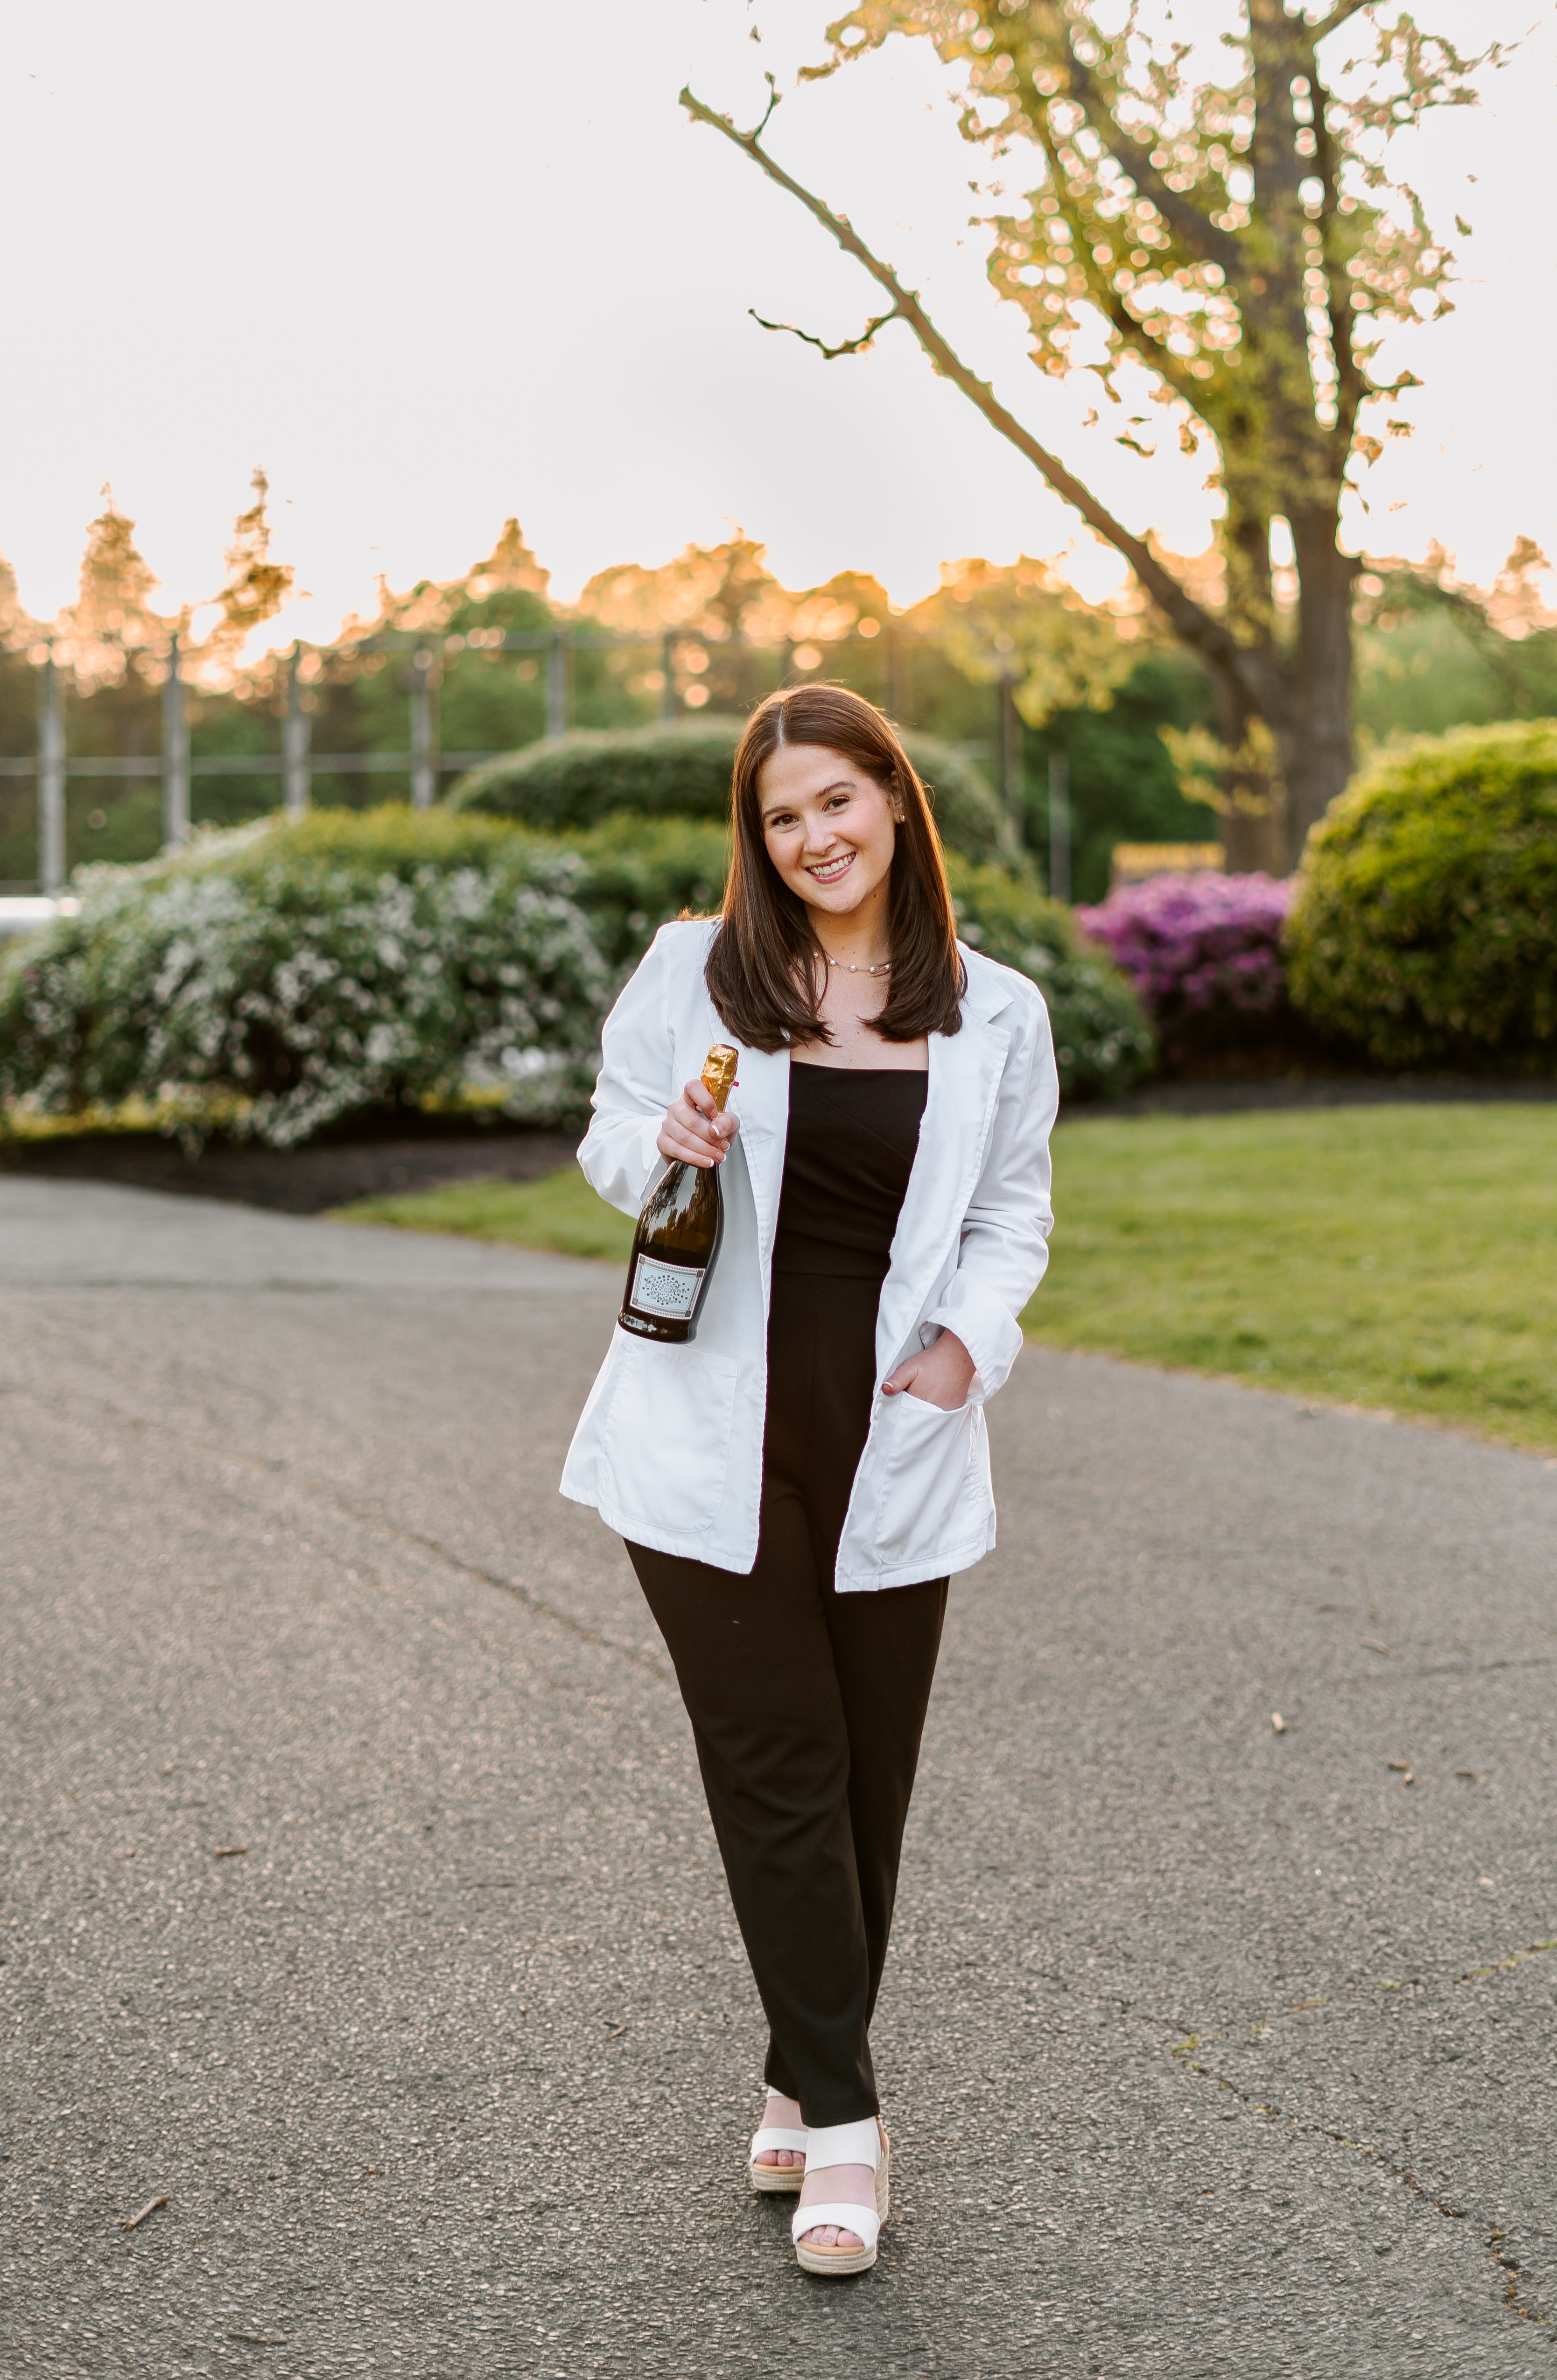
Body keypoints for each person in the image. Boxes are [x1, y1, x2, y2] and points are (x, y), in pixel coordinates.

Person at [560, 684, 1056, 2277]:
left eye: (838, 800)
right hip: (711, 1426)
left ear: (896, 803)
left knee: (865, 1777)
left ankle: (797, 2067)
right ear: (755, 839)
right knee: (779, 1756)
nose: (814, 836)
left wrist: (968, 1350)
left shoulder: (997, 1009)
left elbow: (1013, 1216)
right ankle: (848, 2128)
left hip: (891, 1422)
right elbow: (610, 1137)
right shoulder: (698, 972)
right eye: (782, 816)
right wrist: (669, 1153)